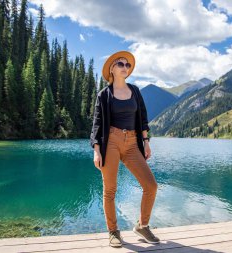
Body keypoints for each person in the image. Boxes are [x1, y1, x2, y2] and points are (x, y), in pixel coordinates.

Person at [90, 51, 160, 248]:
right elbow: (97, 123)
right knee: (110, 189)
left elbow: (143, 118)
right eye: (121, 64)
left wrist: (146, 142)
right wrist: (97, 150)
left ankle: (142, 225)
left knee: (151, 185)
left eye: (127, 65)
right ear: (112, 68)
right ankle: (113, 231)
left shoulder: (135, 91)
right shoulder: (104, 95)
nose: (125, 67)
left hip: (132, 143)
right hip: (110, 141)